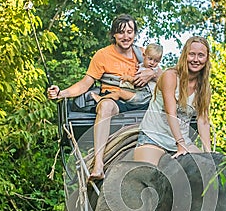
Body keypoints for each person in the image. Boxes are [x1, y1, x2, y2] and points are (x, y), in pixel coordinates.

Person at [118, 36, 212, 211]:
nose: (196, 59)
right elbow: (171, 112)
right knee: (148, 180)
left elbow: (202, 120)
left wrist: (208, 153)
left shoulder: (202, 85)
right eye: (192, 54)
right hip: (154, 138)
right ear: (184, 55)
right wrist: (181, 144)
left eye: (201, 55)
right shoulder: (170, 76)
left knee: (202, 179)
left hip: (180, 141)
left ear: (206, 59)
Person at [47, 14, 160, 180]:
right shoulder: (103, 55)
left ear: (135, 34)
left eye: (130, 32)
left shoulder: (143, 53)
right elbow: (85, 84)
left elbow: (166, 77)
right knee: (105, 105)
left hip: (140, 99)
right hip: (116, 100)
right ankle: (98, 164)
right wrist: (61, 93)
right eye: (121, 32)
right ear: (114, 34)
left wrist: (152, 73)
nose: (126, 36)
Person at [91, 43, 163, 106]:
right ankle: (103, 99)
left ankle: (100, 99)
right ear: (143, 56)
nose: (152, 63)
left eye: (156, 61)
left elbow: (137, 82)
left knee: (120, 93)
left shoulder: (154, 70)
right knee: (120, 92)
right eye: (150, 59)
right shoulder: (141, 65)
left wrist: (127, 78)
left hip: (145, 96)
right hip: (138, 92)